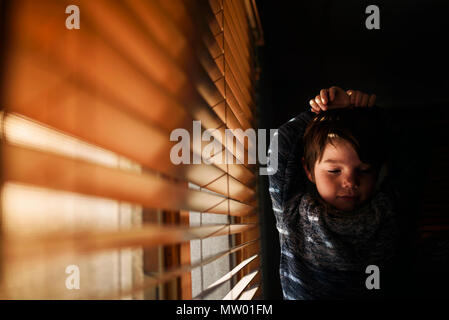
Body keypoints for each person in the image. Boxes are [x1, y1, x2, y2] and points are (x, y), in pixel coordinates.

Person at [268, 86, 415, 299]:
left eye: (364, 171)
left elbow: (414, 148)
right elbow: (276, 146)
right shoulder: (293, 214)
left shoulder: (390, 210)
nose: (349, 182)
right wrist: (318, 112)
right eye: (334, 170)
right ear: (309, 170)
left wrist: (369, 112)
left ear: (377, 171)